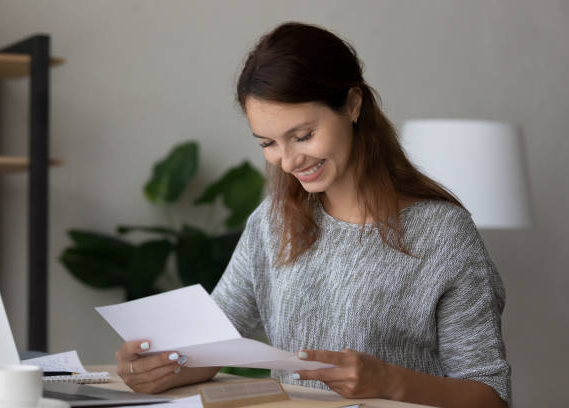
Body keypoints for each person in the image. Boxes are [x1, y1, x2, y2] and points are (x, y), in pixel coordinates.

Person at [114, 22, 511, 407]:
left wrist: (390, 382)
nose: (287, 161)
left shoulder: (441, 233)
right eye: (268, 143)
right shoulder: (272, 222)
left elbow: (490, 396)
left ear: (353, 105)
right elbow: (209, 349)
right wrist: (156, 369)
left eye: (303, 136)